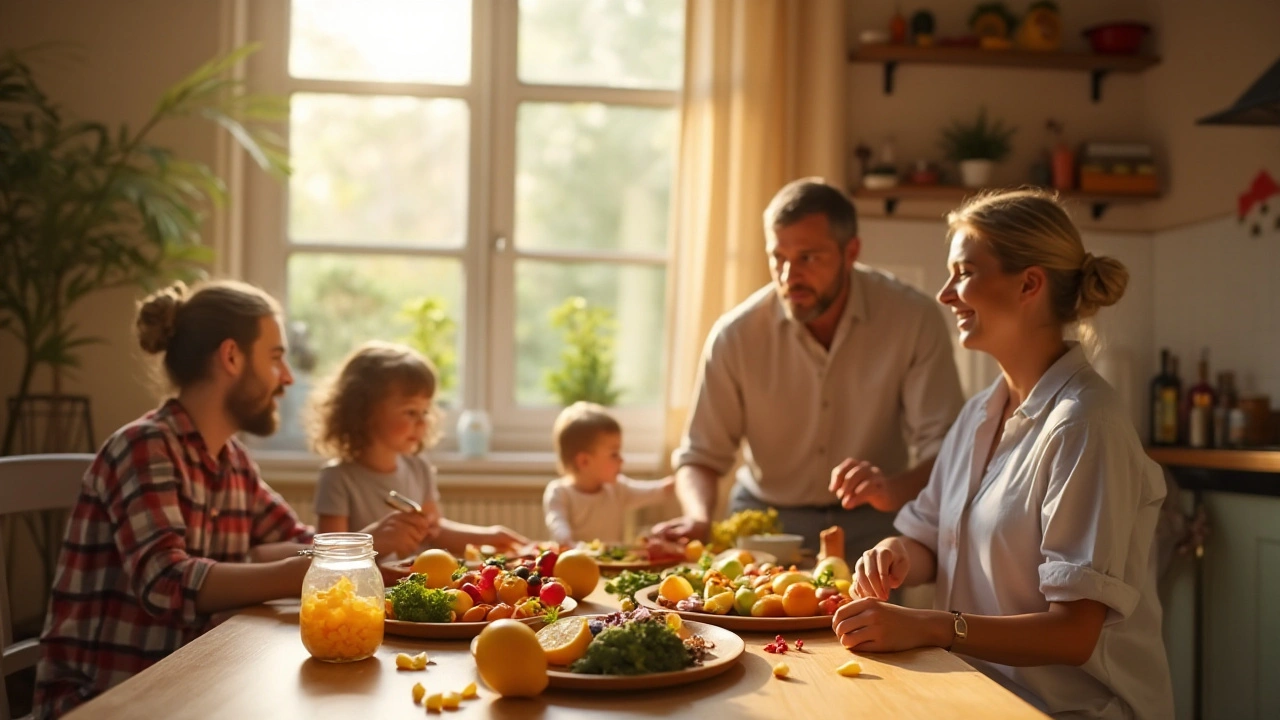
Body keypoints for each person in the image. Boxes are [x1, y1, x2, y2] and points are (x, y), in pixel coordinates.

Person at [835, 189, 1174, 719]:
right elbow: (927, 538)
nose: (946, 295)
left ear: (1029, 284)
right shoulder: (977, 415)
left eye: (963, 273)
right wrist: (897, 555)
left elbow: (1073, 633)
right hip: (986, 698)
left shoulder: (1086, 424)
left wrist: (932, 626)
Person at [33, 281, 431, 718]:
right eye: (276, 357)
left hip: (197, 684)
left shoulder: (232, 460)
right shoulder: (145, 447)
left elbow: (295, 539)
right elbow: (165, 582)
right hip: (108, 698)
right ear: (231, 357)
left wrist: (349, 547)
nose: (288, 377)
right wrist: (301, 569)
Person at [654, 178, 965, 558]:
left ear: (851, 252)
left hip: (874, 522)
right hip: (764, 521)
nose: (789, 277)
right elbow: (701, 456)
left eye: (808, 258)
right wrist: (699, 517)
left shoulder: (913, 319)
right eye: (778, 258)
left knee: (867, 618)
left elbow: (947, 448)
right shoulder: (735, 335)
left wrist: (891, 490)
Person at [309, 341, 530, 556]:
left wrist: (489, 537)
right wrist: (377, 541)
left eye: (425, 412)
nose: (423, 423)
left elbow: (434, 532)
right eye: (411, 412)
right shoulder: (337, 479)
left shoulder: (418, 467)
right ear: (364, 412)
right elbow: (328, 557)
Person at [543, 402, 675, 546]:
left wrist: (681, 481)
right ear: (584, 461)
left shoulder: (618, 489)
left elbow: (656, 491)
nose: (621, 460)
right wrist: (567, 543)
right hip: (573, 564)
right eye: (614, 454)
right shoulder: (560, 493)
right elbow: (558, 527)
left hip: (612, 565)